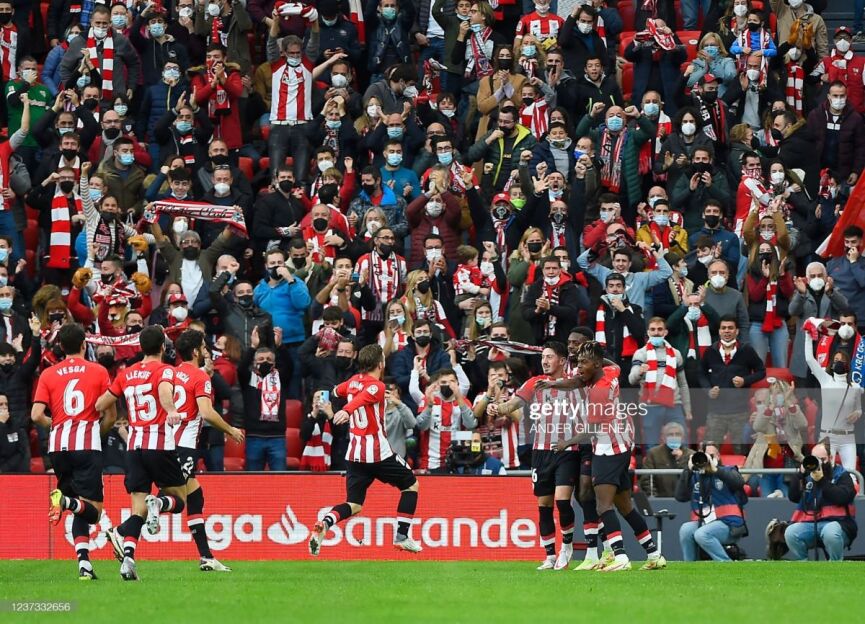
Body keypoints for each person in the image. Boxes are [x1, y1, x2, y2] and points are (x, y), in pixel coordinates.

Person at [539, 341, 665, 572]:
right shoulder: (609, 370)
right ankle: (654, 555)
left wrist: (566, 443)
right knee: (624, 505)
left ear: (596, 364)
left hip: (609, 447)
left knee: (602, 505)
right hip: (622, 442)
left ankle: (620, 557)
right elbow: (579, 380)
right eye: (577, 362)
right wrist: (554, 383)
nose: (579, 367)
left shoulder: (599, 390)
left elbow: (591, 430)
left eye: (584, 362)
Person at [308, 344, 422, 555]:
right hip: (377, 454)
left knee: (354, 504)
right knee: (411, 485)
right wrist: (346, 410)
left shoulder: (353, 382)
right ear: (381, 363)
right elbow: (363, 399)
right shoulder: (377, 386)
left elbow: (336, 391)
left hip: (355, 455)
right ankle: (402, 536)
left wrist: (328, 396)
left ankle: (325, 523)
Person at [98, 326, 187, 582]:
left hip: (134, 447)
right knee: (178, 499)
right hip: (159, 445)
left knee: (138, 509)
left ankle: (128, 559)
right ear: (162, 347)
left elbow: (101, 404)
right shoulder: (165, 370)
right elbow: (164, 391)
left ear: (140, 347)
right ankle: (159, 503)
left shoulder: (126, 373)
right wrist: (171, 410)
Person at [30, 324, 113, 580]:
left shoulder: (48, 374)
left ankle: (84, 564)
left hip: (58, 447)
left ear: (60, 347)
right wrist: (96, 432)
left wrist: (57, 426)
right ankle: (64, 502)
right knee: (94, 512)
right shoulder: (98, 371)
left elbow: (36, 415)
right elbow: (110, 415)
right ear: (84, 345)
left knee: (80, 506)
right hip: (86, 444)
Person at [489, 341, 581, 571]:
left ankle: (566, 547)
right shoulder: (534, 383)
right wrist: (496, 408)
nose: (545, 361)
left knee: (562, 500)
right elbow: (512, 405)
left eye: (550, 357)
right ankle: (549, 555)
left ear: (562, 360)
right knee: (544, 505)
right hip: (540, 452)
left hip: (567, 450)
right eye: (543, 357)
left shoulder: (574, 383)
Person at [172, 329, 244, 572]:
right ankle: (124, 531)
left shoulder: (171, 374)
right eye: (203, 347)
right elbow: (206, 412)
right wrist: (230, 430)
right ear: (195, 351)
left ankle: (206, 556)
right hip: (184, 445)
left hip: (166, 442)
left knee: (195, 496)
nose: (206, 351)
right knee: (172, 499)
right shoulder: (199, 376)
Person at [802, 318, 863, 471]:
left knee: (851, 474)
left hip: (848, 437)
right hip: (827, 437)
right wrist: (808, 334)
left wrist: (858, 412)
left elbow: (859, 409)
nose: (838, 363)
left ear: (848, 365)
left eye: (842, 361)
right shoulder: (825, 380)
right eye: (836, 360)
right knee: (824, 473)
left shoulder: (855, 387)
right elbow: (809, 359)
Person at [699, 316, 766, 454]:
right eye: (723, 328)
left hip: (740, 413)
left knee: (741, 452)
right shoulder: (710, 351)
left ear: (737, 331)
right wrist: (708, 390)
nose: (727, 331)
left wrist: (745, 380)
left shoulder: (747, 350)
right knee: (710, 452)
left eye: (730, 328)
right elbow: (701, 374)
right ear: (719, 331)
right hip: (715, 412)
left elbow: (761, 371)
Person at [784, 441, 858, 561]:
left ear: (830, 458)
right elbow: (793, 497)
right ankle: (803, 565)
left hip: (839, 524)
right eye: (815, 459)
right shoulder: (808, 476)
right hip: (811, 524)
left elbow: (843, 497)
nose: (818, 463)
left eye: (822, 459)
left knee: (830, 532)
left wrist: (822, 481)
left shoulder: (842, 475)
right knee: (791, 532)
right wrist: (800, 474)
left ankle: (835, 565)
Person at [675, 443, 747, 562]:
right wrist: (688, 470)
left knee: (701, 534)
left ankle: (726, 564)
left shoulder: (728, 470)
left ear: (717, 456)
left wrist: (716, 470)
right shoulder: (695, 476)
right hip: (704, 522)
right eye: (704, 456)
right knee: (685, 529)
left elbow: (739, 483)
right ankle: (690, 566)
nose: (707, 459)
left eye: (711, 455)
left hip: (729, 524)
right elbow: (680, 497)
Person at [629, 317, 691, 447]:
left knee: (682, 444)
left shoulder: (676, 354)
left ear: (665, 332)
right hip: (650, 406)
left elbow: (683, 384)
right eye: (653, 329)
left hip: (674, 405)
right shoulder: (641, 354)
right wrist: (640, 371)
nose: (656, 333)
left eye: (659, 329)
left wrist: (687, 410)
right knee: (652, 446)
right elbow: (631, 380)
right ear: (648, 332)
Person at [416, 368, 477, 473]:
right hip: (431, 462)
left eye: (452, 381)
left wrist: (459, 399)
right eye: (443, 382)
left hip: (458, 462)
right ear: (438, 384)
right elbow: (421, 427)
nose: (448, 385)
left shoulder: (464, 401)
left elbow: (471, 425)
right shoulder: (428, 400)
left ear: (457, 383)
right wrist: (429, 406)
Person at [640, 422, 694, 497]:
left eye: (677, 434)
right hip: (660, 499)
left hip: (685, 500)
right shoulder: (653, 453)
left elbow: (692, 480)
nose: (674, 437)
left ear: (683, 438)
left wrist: (680, 459)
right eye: (670, 435)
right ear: (663, 438)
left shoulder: (691, 455)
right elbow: (646, 480)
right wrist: (655, 499)